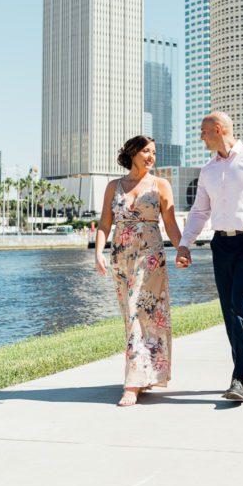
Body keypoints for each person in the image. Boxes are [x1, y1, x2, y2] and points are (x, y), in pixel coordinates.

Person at [175, 112, 243, 403]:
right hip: (221, 244)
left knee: (241, 306)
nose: (200, 137)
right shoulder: (208, 169)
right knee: (229, 310)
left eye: (203, 132)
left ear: (220, 130)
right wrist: (185, 244)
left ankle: (241, 377)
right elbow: (200, 211)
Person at [94, 135, 184, 407]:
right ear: (132, 153)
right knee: (130, 316)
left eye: (154, 152)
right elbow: (104, 223)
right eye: (146, 151)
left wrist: (183, 248)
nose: (151, 156)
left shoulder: (160, 185)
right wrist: (98, 252)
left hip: (150, 257)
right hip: (122, 257)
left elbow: (169, 223)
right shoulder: (114, 186)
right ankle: (142, 374)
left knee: (144, 314)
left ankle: (132, 385)